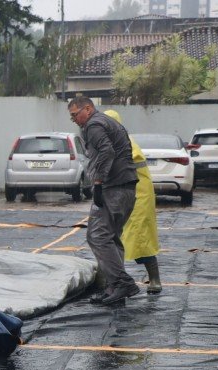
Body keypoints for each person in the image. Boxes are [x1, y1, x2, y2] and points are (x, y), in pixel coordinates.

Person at [67, 96, 139, 305]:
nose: (74, 120)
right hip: (125, 187)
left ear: (87, 109)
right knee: (111, 237)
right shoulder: (107, 123)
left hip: (113, 188)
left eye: (75, 115)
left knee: (97, 236)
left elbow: (107, 151)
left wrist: (98, 181)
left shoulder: (94, 124)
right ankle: (114, 288)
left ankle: (121, 282)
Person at [103, 110, 162, 294]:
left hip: (138, 193)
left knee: (140, 238)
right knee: (111, 237)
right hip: (125, 192)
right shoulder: (114, 141)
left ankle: (154, 279)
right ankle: (114, 281)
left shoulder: (122, 143)